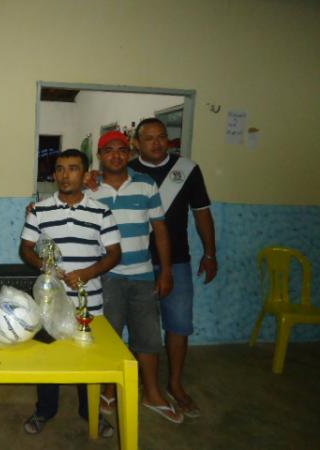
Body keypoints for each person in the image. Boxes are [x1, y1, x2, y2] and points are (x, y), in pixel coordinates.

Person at [20, 149, 122, 437]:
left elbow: (115, 254)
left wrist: (87, 274)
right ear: (54, 174)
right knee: (48, 358)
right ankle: (45, 411)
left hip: (89, 301)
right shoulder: (39, 210)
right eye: (60, 169)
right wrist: (44, 265)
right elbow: (26, 248)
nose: (65, 175)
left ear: (85, 174)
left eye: (73, 168)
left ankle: (90, 414)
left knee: (87, 359)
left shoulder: (101, 211)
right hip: (50, 300)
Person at [89, 131, 183, 424]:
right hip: (106, 276)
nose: (115, 155)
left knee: (148, 336)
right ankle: (108, 390)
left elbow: (161, 231)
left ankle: (152, 393)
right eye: (108, 150)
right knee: (109, 336)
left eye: (121, 150)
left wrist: (165, 271)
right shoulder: (90, 188)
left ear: (129, 153)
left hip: (142, 274)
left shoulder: (146, 185)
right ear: (100, 156)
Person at [130, 118, 218, 418]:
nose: (157, 143)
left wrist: (211, 253)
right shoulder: (126, 170)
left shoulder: (187, 170)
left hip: (177, 261)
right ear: (137, 143)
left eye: (162, 137)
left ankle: (176, 384)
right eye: (149, 138)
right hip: (135, 262)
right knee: (143, 327)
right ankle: (146, 384)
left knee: (179, 325)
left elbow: (202, 214)